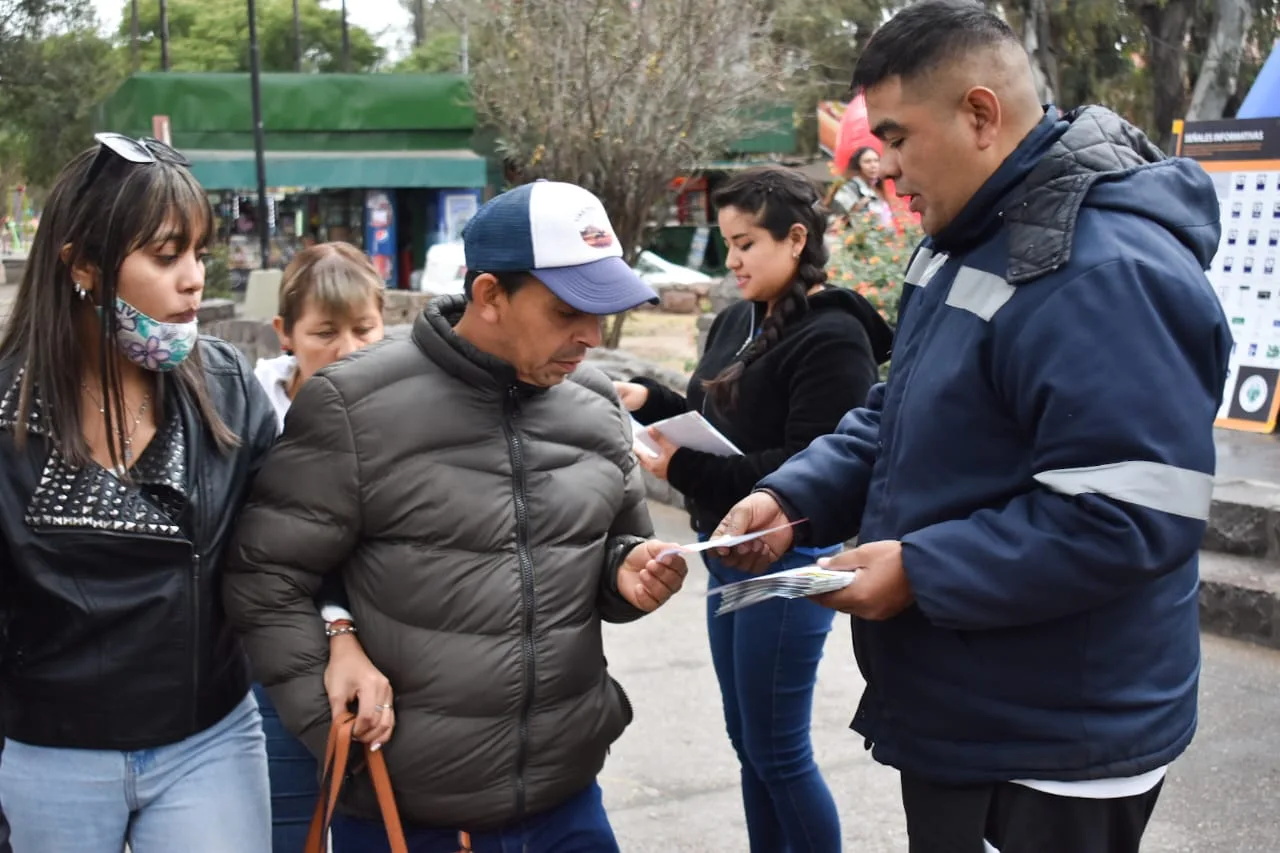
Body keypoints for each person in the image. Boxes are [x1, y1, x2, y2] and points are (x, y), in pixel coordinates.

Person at [711, 3, 1231, 852]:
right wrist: (792, 495)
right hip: (978, 710)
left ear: (980, 115)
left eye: (896, 137)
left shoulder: (1104, 271)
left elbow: (1131, 514)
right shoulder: (967, 238)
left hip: (1051, 742)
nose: (884, 167)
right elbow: (898, 411)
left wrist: (921, 569)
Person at [224, 179, 690, 853]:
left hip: (570, 806)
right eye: (568, 310)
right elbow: (263, 579)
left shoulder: (594, 401)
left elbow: (613, 552)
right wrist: (337, 721)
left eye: (605, 309)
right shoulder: (353, 405)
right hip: (407, 818)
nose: (591, 336)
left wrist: (628, 573)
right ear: (490, 296)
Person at [0, 134, 277, 851]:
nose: (193, 280)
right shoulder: (5, 415)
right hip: (43, 752)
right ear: (83, 265)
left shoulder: (229, 387)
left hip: (207, 740)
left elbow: (295, 540)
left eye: (199, 253)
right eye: (165, 255)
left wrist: (341, 628)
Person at [615, 165, 892, 852]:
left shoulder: (835, 336)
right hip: (722, 552)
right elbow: (715, 422)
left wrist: (681, 468)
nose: (731, 261)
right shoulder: (742, 316)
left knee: (778, 749)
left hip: (786, 561)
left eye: (745, 245)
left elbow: (803, 471)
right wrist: (651, 399)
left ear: (796, 238)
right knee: (749, 743)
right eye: (727, 244)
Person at [251, 241, 389, 853]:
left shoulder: (413, 408)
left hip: (386, 664)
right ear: (284, 332)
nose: (349, 351)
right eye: (324, 332)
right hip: (274, 662)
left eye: (365, 329)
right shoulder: (247, 412)